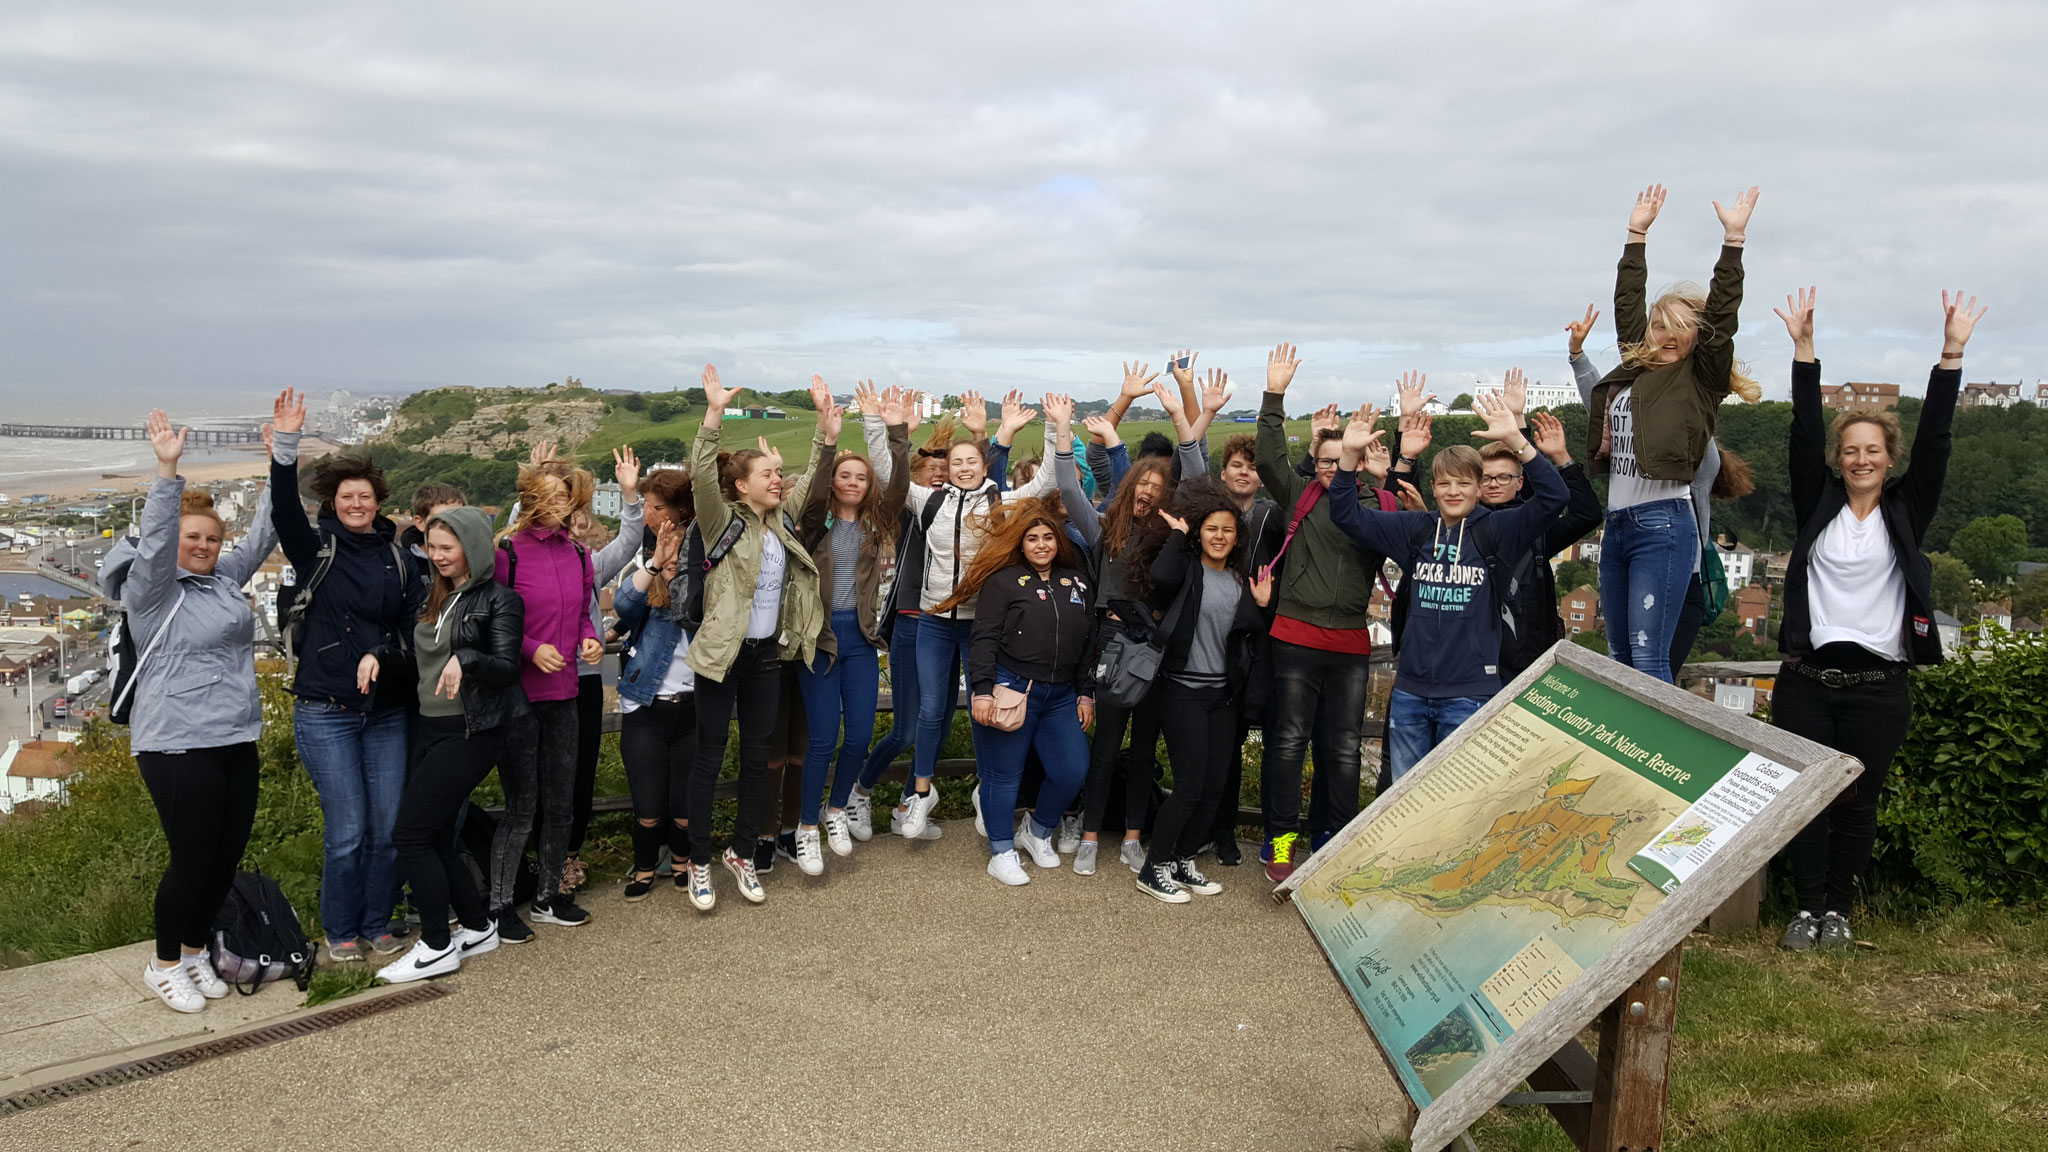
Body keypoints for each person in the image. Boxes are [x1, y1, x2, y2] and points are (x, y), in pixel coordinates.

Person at [1772, 287, 1982, 951]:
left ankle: (1839, 912)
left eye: (1873, 450)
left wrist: (1950, 356)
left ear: (1890, 457)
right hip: (1807, 679)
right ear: (1841, 461)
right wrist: (1805, 353)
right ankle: (1804, 912)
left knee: (1857, 803)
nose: (1861, 459)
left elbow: (1940, 441)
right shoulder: (1818, 504)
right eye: (1851, 451)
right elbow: (1804, 434)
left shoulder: (1904, 512)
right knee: (1805, 801)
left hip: (1878, 687)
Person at [110, 410, 277, 1012]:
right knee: (192, 857)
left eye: (210, 538)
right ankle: (163, 963)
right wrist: (167, 469)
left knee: (225, 854)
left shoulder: (224, 581)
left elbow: (262, 535)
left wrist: (278, 455)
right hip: (176, 742)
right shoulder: (151, 595)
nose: (204, 546)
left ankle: (195, 949)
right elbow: (154, 544)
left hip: (235, 735)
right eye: (193, 539)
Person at [1327, 394, 1568, 778]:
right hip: (1410, 691)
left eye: (1463, 483)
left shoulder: (1498, 531)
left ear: (1477, 487)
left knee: (1455, 801)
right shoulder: (1417, 529)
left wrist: (1518, 441)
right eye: (1444, 484)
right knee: (1402, 799)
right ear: (1434, 489)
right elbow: (1345, 514)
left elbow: (1556, 497)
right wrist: (1348, 458)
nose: (1453, 492)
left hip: (1470, 692)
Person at [268, 388, 423, 962]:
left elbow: (413, 632)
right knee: (348, 832)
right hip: (325, 709)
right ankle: (340, 931)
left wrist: (382, 652)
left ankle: (377, 923)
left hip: (384, 712)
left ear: (378, 502)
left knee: (386, 831)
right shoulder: (317, 551)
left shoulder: (400, 559)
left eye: (364, 496)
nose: (356, 503)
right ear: (332, 504)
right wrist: (285, 446)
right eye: (346, 496)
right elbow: (285, 509)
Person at [1581, 184, 1759, 684]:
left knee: (1648, 657)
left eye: (1682, 328)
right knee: (1619, 657)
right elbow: (1627, 306)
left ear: (1696, 338)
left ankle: (1650, 758)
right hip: (1617, 525)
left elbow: (1723, 320)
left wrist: (1734, 242)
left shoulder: (1699, 381)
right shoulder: (1635, 372)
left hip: (1663, 523)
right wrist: (1635, 235)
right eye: (1661, 326)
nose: (1668, 335)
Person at [1044, 379, 1210, 874]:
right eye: (1142, 488)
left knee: (1143, 752)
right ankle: (1091, 836)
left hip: (1156, 647)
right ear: (1130, 488)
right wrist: (1061, 431)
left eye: (1157, 492)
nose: (1147, 496)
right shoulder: (1102, 531)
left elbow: (1198, 478)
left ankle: (1133, 838)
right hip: (1113, 646)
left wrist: (1184, 416)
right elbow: (1070, 488)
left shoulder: (1172, 537)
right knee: (1105, 748)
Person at [682, 367, 832, 910]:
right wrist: (715, 415)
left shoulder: (782, 523)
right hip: (722, 657)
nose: (778, 479)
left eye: (778, 472)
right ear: (741, 486)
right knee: (709, 757)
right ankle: (700, 862)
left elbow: (813, 481)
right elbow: (701, 475)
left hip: (767, 656)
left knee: (755, 760)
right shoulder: (723, 522)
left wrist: (823, 430)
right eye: (768, 473)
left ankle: (741, 855)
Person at [1253, 343, 1390, 882]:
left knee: (1344, 752)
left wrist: (1386, 473)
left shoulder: (1373, 507)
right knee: (1286, 745)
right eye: (1326, 461)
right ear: (1317, 461)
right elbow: (1268, 457)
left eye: (1343, 461)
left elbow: (1408, 528)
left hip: (1350, 643)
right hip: (1295, 635)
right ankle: (1282, 842)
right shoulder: (1300, 492)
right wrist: (1274, 394)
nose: (1332, 470)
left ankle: (1334, 841)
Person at [897, 391, 1059, 837]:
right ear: (946, 469)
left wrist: (1053, 425)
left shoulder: (1000, 502)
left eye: (972, 461)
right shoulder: (928, 502)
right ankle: (922, 794)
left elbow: (1045, 480)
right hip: (933, 622)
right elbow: (883, 474)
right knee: (931, 711)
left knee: (981, 710)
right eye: (956, 463)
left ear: (984, 466)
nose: (964, 468)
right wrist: (894, 432)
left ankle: (987, 793)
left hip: (983, 628)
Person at [377, 506, 526, 982]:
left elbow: (506, 668)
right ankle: (479, 927)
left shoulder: (500, 600)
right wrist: (379, 657)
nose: (436, 557)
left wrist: (468, 657)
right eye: (431, 547)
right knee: (438, 835)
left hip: (471, 731)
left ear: (473, 549)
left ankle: (437, 945)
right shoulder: (436, 595)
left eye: (447, 548)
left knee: (411, 836)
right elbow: (424, 661)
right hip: (430, 727)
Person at [1124, 479, 1273, 902]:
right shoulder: (1188, 571)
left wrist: (1259, 607)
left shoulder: (1240, 581)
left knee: (1213, 786)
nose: (1220, 536)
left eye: (1228, 530)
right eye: (1212, 529)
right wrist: (1178, 533)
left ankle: (1184, 859)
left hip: (1222, 696)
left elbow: (1247, 640)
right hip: (1182, 691)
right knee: (1189, 786)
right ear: (1200, 533)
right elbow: (1160, 575)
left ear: (1236, 536)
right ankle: (1154, 869)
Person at [934, 498, 1096, 885]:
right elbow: (984, 638)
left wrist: (1085, 693)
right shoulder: (1002, 582)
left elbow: (1089, 643)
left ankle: (1038, 831)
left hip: (1060, 696)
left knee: (1073, 770)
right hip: (1012, 689)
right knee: (1002, 775)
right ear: (1020, 544)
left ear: (1058, 541)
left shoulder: (1077, 581)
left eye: (1048, 538)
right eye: (1032, 539)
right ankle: (1001, 851)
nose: (1041, 545)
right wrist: (982, 691)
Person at [788, 384, 911, 873]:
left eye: (861, 476)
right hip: (819, 639)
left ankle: (835, 809)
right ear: (835, 480)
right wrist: (829, 437)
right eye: (846, 475)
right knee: (823, 738)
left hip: (860, 639)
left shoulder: (879, 523)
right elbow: (814, 487)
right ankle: (806, 827)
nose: (854, 482)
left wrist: (895, 431)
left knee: (860, 734)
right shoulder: (814, 523)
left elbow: (899, 483)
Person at [490, 458, 602, 937]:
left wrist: (588, 638)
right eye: (553, 496)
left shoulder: (577, 554)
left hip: (566, 691)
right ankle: (498, 907)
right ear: (532, 498)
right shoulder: (506, 552)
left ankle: (547, 895)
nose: (562, 504)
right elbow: (491, 623)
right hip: (518, 694)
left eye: (566, 496)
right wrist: (532, 651)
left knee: (561, 802)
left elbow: (578, 615)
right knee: (521, 804)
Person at [850, 414, 955, 843]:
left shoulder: (953, 512)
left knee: (940, 727)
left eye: (946, 475)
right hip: (912, 624)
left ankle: (907, 806)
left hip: (949, 626)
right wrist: (897, 440)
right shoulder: (911, 510)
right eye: (932, 473)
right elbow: (888, 483)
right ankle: (857, 792)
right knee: (907, 728)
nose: (940, 480)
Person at [611, 466, 698, 901]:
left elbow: (707, 622)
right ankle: (645, 868)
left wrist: (675, 578)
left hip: (695, 702)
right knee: (648, 804)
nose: (649, 514)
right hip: (646, 702)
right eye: (645, 506)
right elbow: (625, 605)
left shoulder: (704, 561)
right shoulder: (651, 552)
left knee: (683, 805)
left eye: (656, 506)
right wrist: (653, 565)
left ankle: (681, 862)